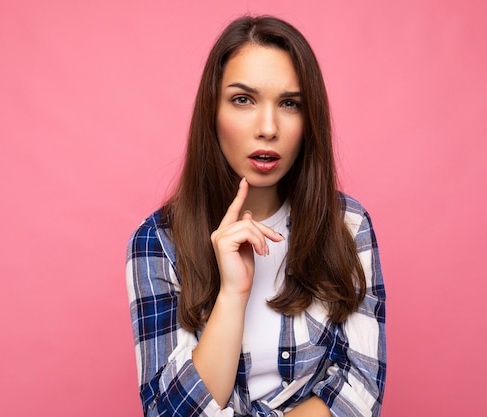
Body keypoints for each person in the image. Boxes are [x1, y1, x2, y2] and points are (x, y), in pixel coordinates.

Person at [126, 15, 385, 417]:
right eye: (243, 99)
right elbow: (166, 412)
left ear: (308, 119)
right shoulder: (157, 242)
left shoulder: (347, 226)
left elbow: (361, 392)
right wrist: (233, 294)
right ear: (212, 112)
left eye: (289, 103)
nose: (268, 128)